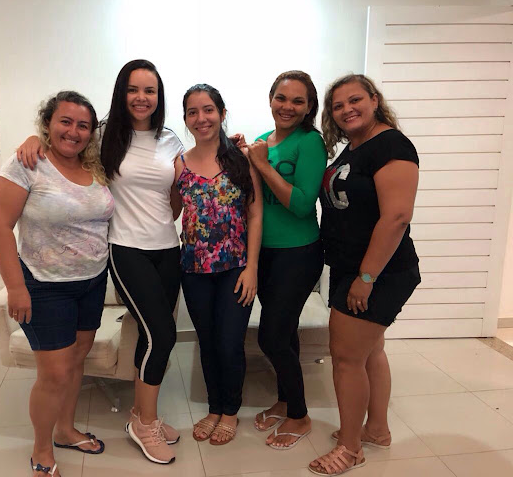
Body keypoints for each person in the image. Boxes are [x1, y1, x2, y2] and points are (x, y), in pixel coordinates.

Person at [16, 60, 184, 465]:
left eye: (150, 90)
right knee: (163, 335)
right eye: (133, 89)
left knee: (150, 335)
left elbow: (180, 191)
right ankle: (144, 424)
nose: (141, 98)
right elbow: (65, 143)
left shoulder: (169, 139)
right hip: (126, 248)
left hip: (167, 248)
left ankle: (142, 414)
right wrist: (33, 138)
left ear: (159, 97)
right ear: (121, 93)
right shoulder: (105, 134)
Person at [0, 91, 111, 477]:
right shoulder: (27, 164)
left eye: (83, 126)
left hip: (92, 281)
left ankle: (66, 430)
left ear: (91, 133)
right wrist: (16, 288)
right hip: (44, 284)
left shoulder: (95, 167)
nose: (73, 131)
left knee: (76, 362)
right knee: (54, 373)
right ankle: (42, 448)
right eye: (65, 122)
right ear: (48, 123)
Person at [308, 74, 421, 475]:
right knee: (370, 351)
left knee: (345, 359)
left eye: (355, 100)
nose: (346, 110)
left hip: (378, 272)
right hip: (352, 267)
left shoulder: (392, 145)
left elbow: (397, 217)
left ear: (374, 100)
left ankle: (350, 449)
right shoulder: (356, 147)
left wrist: (367, 278)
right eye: (338, 106)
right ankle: (376, 430)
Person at [174, 84, 263, 445]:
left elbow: (255, 214)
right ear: (186, 119)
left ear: (222, 114)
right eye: (192, 112)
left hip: (236, 269)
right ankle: (214, 408)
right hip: (193, 269)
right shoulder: (179, 163)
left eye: (208, 109)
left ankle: (230, 411)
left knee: (229, 343)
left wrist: (252, 268)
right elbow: (171, 210)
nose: (201, 118)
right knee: (207, 342)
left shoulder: (241, 159)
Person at [246, 71, 327, 450]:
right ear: (270, 99)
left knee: (272, 335)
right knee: (286, 332)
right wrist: (245, 155)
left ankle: (300, 414)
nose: (288, 107)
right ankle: (284, 400)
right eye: (281, 98)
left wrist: (262, 165)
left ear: (309, 107)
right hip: (265, 253)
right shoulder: (264, 140)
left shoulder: (310, 142)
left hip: (299, 253)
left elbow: (301, 205)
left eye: (298, 101)